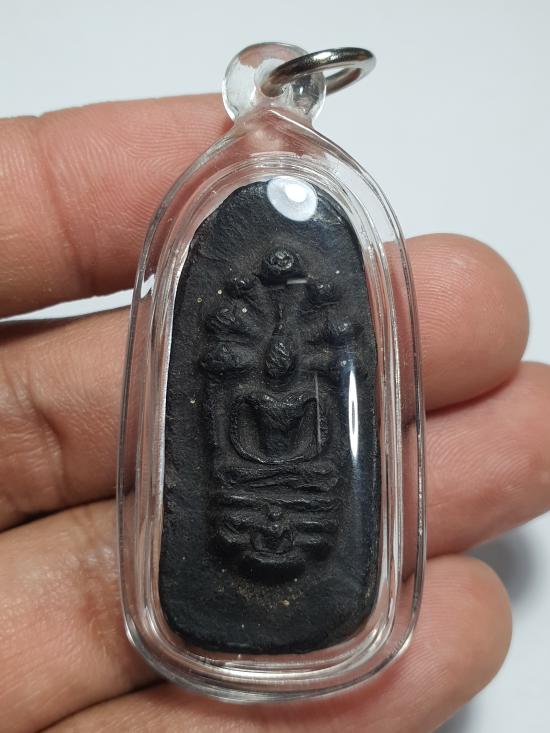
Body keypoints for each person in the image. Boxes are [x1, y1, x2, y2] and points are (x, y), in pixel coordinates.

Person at [0, 93, 547, 733]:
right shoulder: (243, 386)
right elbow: (218, 441)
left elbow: (321, 445)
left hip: (297, 478)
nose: (281, 361)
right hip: (249, 475)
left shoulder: (313, 384)